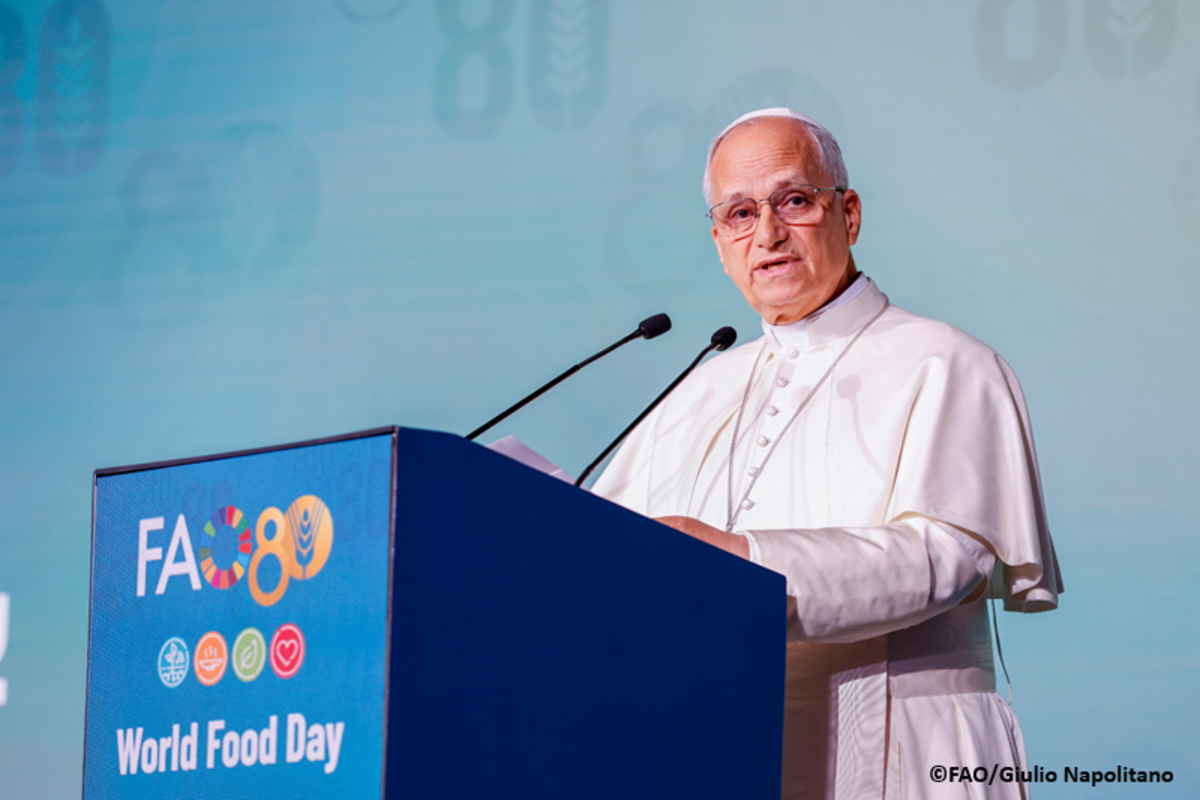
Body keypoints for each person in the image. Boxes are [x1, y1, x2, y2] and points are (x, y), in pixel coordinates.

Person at [592, 108, 1062, 799]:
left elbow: (945, 558)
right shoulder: (692, 391)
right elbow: (594, 562)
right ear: (720, 243)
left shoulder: (945, 362)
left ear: (849, 213)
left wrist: (742, 563)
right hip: (712, 755)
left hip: (903, 757)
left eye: (793, 200)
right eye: (741, 214)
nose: (769, 234)